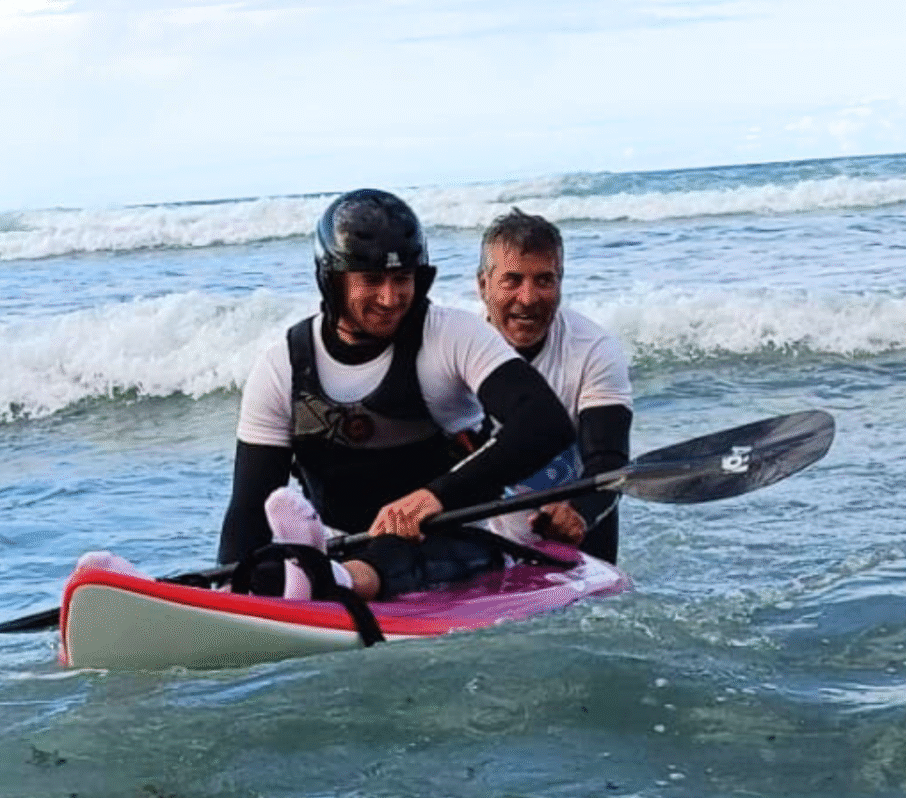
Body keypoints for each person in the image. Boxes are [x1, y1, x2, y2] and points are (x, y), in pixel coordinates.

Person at [218, 188, 576, 601]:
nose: (390, 299)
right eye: (371, 280)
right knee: (260, 571)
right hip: (339, 544)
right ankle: (314, 573)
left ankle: (330, 580)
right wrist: (228, 593)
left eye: (402, 279)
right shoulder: (282, 366)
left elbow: (544, 423)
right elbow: (249, 508)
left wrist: (433, 498)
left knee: (394, 554)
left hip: (454, 544)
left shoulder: (451, 335)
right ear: (333, 281)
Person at [476, 208, 633, 563]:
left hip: (577, 532)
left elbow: (608, 460)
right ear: (483, 285)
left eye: (544, 280)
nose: (528, 298)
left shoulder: (594, 349)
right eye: (512, 280)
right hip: (484, 539)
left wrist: (579, 513)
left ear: (561, 281)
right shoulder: (456, 350)